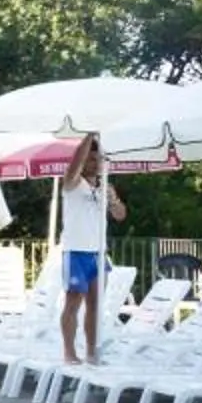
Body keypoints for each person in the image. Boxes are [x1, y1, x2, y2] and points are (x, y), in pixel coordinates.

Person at [56, 137, 123, 366]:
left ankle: (92, 352)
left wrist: (113, 200)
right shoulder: (72, 184)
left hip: (97, 253)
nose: (95, 163)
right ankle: (68, 352)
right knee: (72, 303)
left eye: (98, 160)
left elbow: (120, 215)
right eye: (91, 159)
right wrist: (90, 135)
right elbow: (75, 162)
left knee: (95, 304)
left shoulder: (105, 187)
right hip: (75, 251)